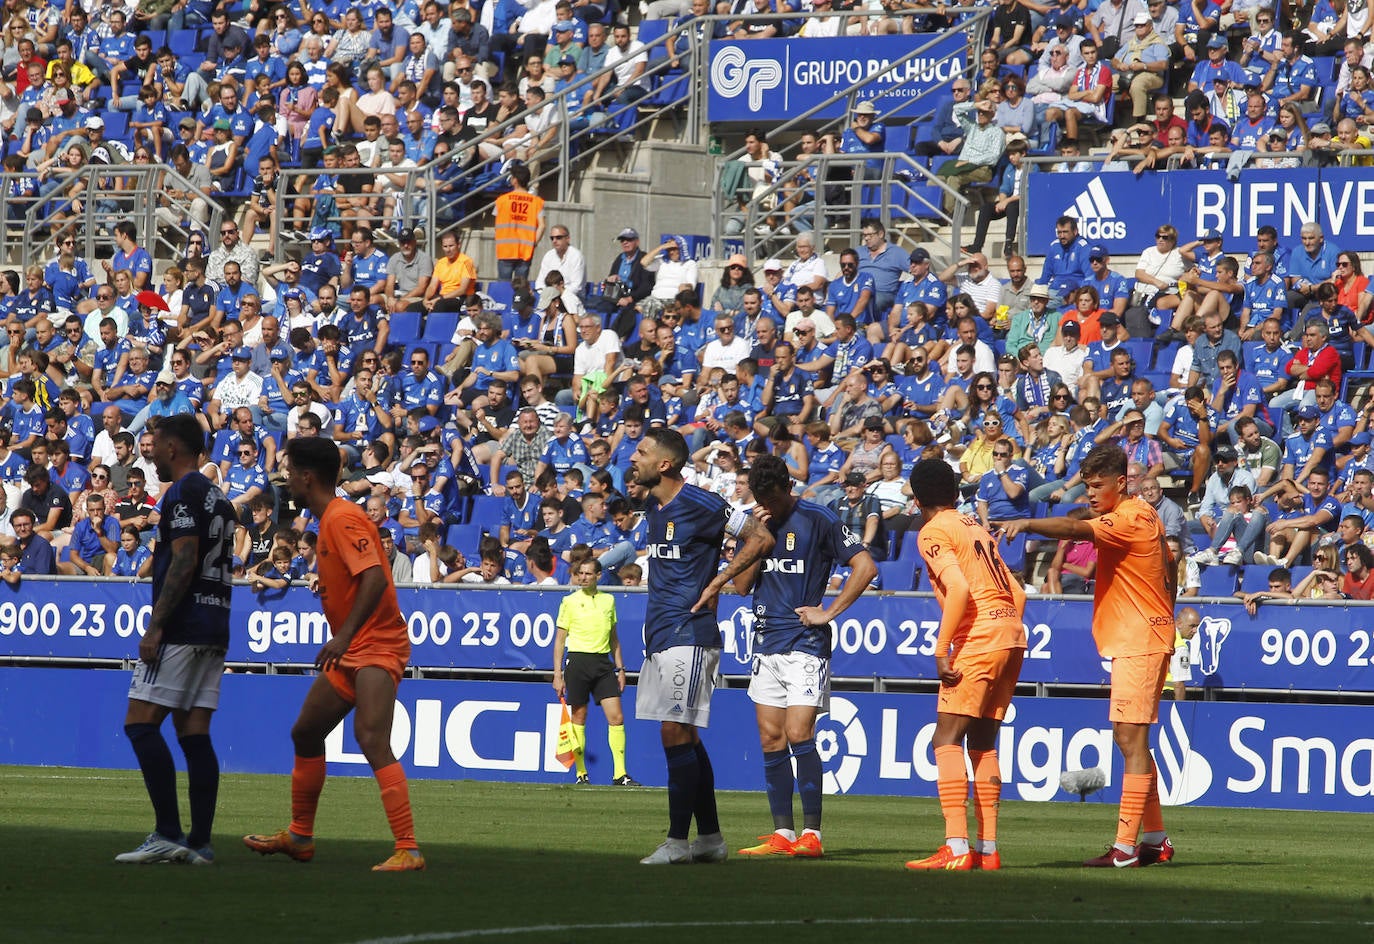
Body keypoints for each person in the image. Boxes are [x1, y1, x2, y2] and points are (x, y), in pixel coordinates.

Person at [243, 437, 424, 872]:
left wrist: (343, 637)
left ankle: (409, 849)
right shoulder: (330, 520)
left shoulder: (343, 518)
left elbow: (375, 578)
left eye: (289, 472)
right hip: (355, 645)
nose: (285, 479)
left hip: (376, 644)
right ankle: (300, 837)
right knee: (306, 732)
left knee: (370, 738)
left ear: (308, 477)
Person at [999, 443, 1176, 868]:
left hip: (1141, 638)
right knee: (1130, 739)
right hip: (1140, 634)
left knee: (1130, 739)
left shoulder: (1130, 518)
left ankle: (1125, 848)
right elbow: (1169, 564)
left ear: (1122, 482)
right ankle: (1154, 840)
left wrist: (1027, 522)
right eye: (1088, 485)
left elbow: (1077, 529)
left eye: (1098, 485)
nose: (1091, 493)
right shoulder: (1140, 513)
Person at [629, 427, 774, 865]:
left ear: (664, 464)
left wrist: (718, 581)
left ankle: (677, 842)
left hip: (690, 632)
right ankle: (709, 838)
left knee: (674, 730)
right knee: (684, 734)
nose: (632, 457)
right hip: (660, 633)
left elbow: (761, 538)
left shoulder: (702, 502)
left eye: (641, 452)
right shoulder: (653, 506)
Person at [730, 455, 876, 858]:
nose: (769, 507)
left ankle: (812, 834)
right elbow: (741, 586)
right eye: (762, 500)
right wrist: (756, 537)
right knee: (770, 738)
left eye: (774, 500)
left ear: (788, 488)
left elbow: (865, 567)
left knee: (798, 733)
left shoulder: (818, 518)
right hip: (766, 642)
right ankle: (783, 833)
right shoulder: (755, 524)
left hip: (805, 643)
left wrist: (828, 612)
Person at [115, 414, 236, 866]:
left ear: (173, 447)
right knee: (193, 731)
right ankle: (199, 843)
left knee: (140, 723)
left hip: (183, 624)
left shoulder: (182, 492)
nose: (150, 452)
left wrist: (156, 625)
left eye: (155, 444)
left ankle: (168, 831)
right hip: (215, 622)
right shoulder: (218, 497)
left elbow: (184, 558)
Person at [904, 458, 1026, 871]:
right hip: (1011, 633)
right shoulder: (975, 526)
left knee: (945, 739)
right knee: (984, 742)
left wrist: (942, 650)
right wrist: (1003, 631)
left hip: (980, 637)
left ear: (916, 498)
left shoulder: (933, 530)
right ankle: (988, 850)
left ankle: (956, 846)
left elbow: (957, 588)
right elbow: (1018, 593)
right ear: (956, 493)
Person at [552, 558, 640, 786]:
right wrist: (557, 674)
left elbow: (614, 639)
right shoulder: (569, 601)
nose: (583, 577)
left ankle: (620, 774)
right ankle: (581, 773)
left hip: (602, 663)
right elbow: (560, 641)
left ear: (598, 576)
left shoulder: (608, 600)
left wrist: (620, 669)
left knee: (616, 717)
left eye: (588, 573)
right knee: (579, 717)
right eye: (580, 573)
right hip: (578, 661)